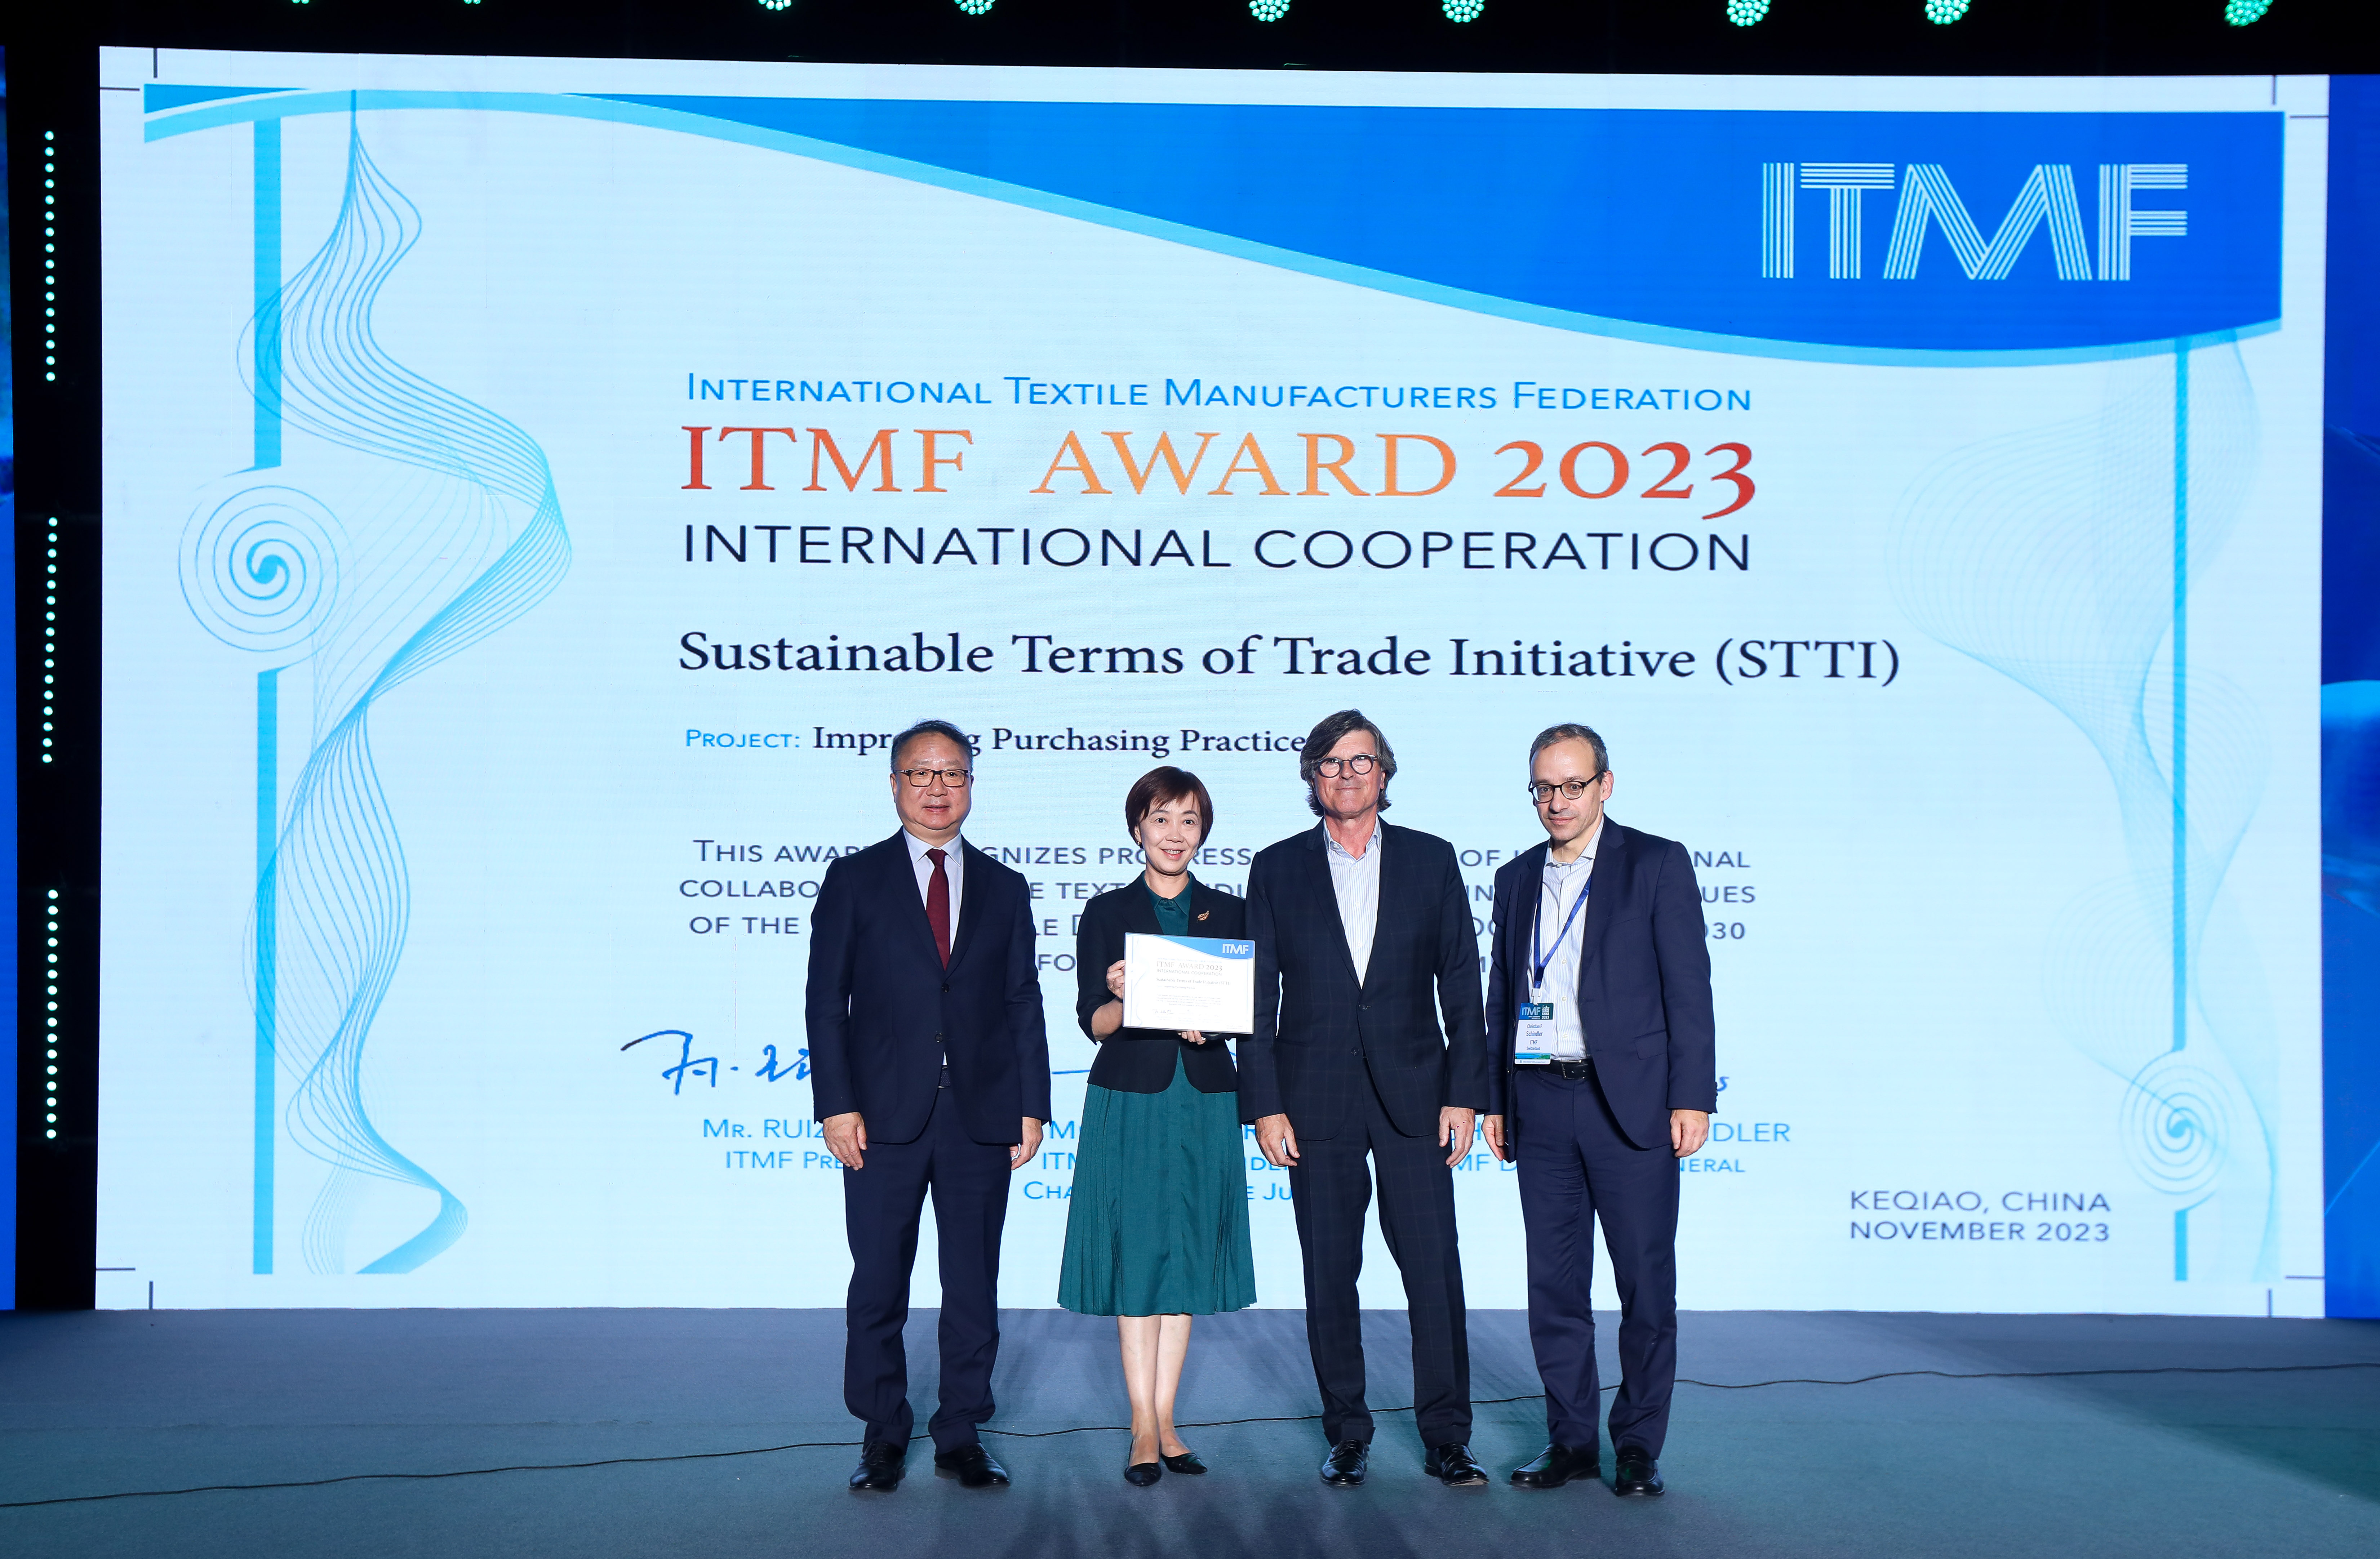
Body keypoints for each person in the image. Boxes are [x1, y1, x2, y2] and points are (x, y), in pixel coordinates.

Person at [1240, 709, 1494, 1490]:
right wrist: (1264, 1104)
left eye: (1360, 761)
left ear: (1383, 773)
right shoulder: (1276, 867)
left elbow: (1461, 982)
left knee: (1433, 1270)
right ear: (1311, 778)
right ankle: (1347, 1431)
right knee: (1329, 1270)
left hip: (1417, 1095)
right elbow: (1256, 995)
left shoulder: (1430, 858)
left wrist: (1465, 1093)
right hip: (1311, 1099)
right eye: (1330, 762)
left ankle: (1447, 1437)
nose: (1346, 775)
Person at [807, 719, 1051, 1494]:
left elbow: (1022, 1000)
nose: (937, 788)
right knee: (879, 1280)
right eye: (921, 773)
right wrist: (835, 1104)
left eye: (952, 774)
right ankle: (882, 1432)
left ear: (971, 785)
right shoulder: (854, 879)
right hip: (881, 1118)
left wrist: (1032, 1105)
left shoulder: (1005, 887)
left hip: (981, 1114)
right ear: (894, 784)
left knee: (972, 1284)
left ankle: (960, 1432)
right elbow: (826, 1002)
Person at [1481, 723, 1715, 1498]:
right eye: (1544, 788)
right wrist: (1494, 1098)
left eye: (1572, 785)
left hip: (1633, 1106)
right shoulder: (1516, 877)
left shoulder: (1655, 863)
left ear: (1604, 786)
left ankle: (1639, 1446)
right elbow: (1501, 996)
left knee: (1644, 1285)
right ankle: (1572, 1441)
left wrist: (1691, 1094)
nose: (1557, 801)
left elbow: (1689, 989)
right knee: (1554, 1287)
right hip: (1540, 1100)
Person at [1058, 766, 1257, 1487]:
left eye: (1189, 820)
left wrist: (1217, 1025)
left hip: (1202, 1097)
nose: (1175, 834)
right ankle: (1142, 1424)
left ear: (1203, 832)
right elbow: (1095, 1021)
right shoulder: (1106, 911)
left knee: (1187, 1257)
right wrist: (1126, 994)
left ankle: (1168, 1420)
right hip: (1132, 1098)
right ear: (1137, 827)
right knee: (1138, 1254)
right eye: (1161, 818)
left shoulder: (1230, 913)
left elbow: (1246, 1011)